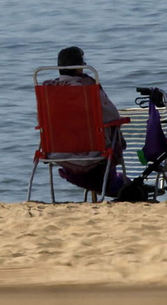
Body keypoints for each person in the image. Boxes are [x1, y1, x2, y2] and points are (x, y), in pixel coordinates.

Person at [43, 45, 129, 197]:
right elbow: (113, 115)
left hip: (58, 152)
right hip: (92, 151)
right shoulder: (87, 88)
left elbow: (42, 119)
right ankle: (114, 183)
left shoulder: (49, 90)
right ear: (79, 68)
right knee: (113, 129)